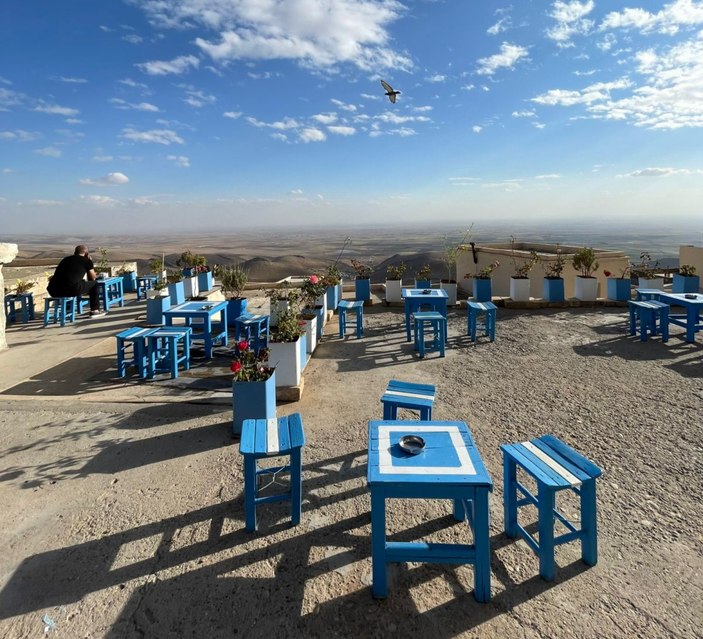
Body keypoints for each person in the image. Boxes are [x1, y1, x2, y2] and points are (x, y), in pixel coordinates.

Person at [47, 245, 105, 317]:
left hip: (53, 290)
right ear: (86, 254)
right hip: (71, 290)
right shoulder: (87, 261)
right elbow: (93, 278)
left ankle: (67, 309)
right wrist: (90, 262)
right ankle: (95, 310)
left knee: (71, 284)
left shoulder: (65, 259)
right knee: (95, 284)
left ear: (75, 252)